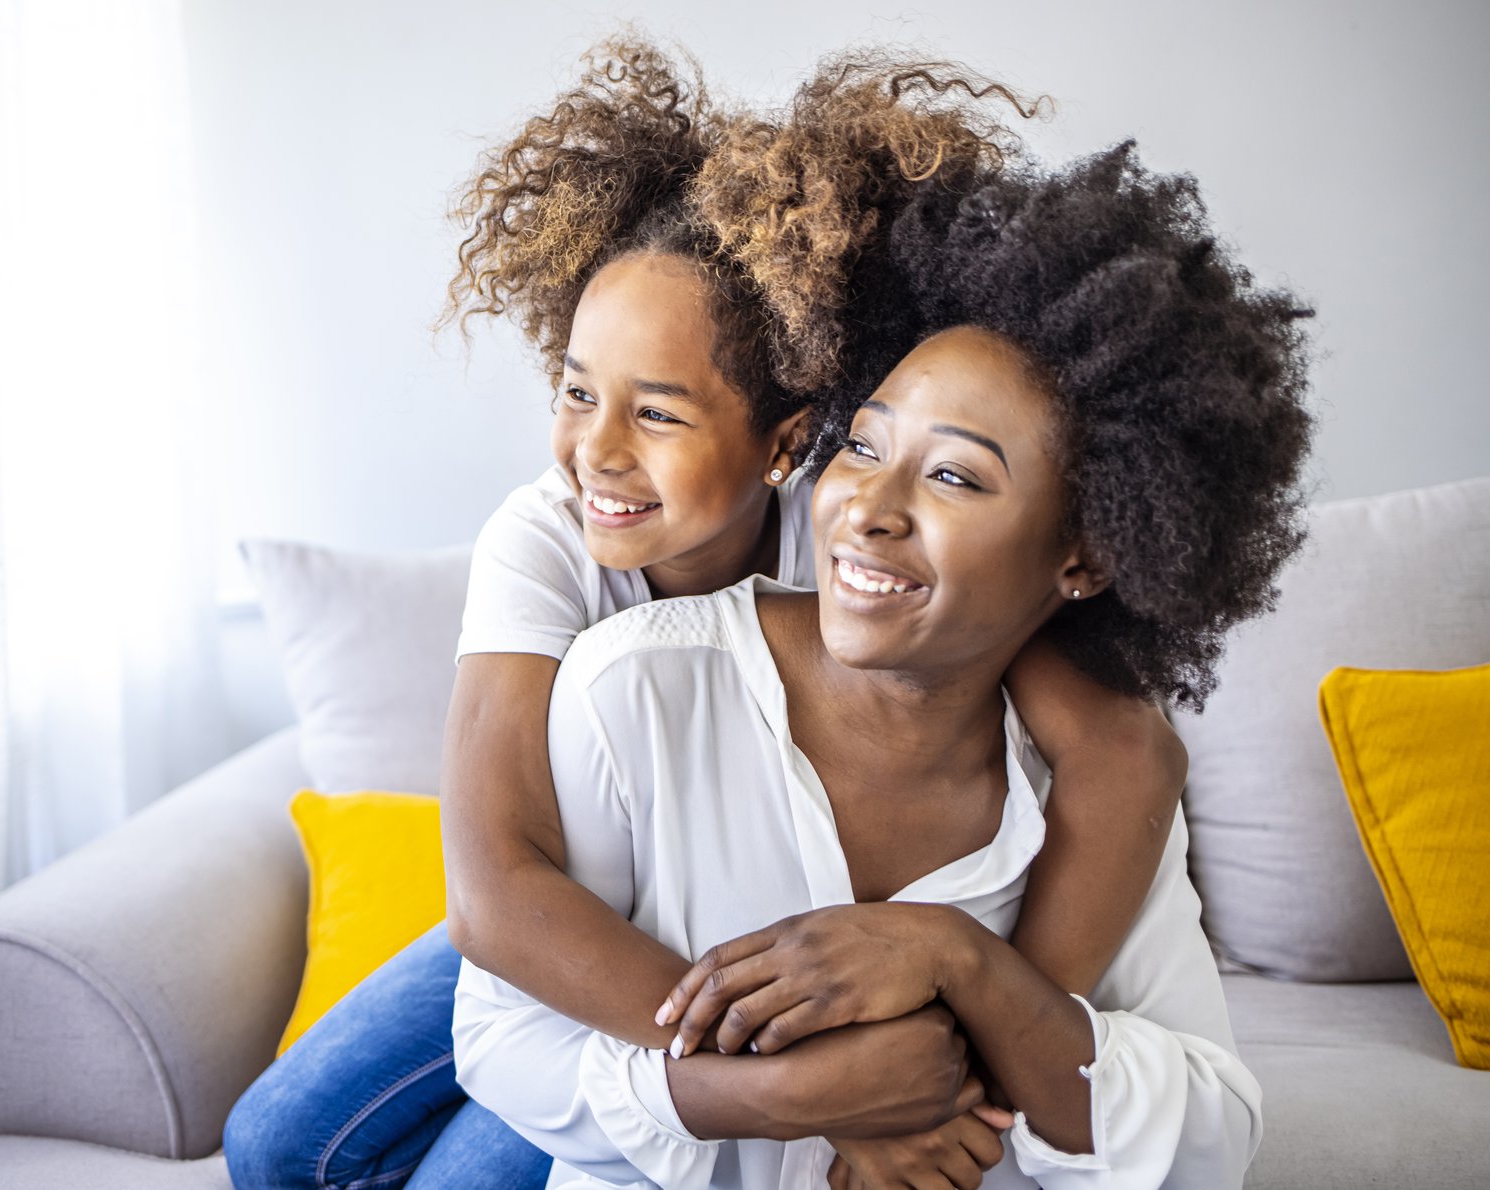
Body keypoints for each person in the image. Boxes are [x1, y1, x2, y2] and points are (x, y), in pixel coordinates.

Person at [224, 42, 1189, 1190]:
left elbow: (1126, 746)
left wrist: (967, 1062)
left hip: (726, 941)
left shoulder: (854, 543)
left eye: (660, 414)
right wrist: (831, 1093)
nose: (599, 452)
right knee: (274, 1141)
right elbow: (502, 898)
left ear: (788, 441)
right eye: (578, 392)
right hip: (571, 934)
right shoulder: (542, 542)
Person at [454, 140, 1313, 1190]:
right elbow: (496, 921)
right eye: (866, 446)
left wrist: (964, 963)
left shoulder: (1074, 770)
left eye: (954, 473)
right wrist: (814, 1085)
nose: (868, 505)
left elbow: (1212, 1137)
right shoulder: (603, 657)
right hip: (534, 906)